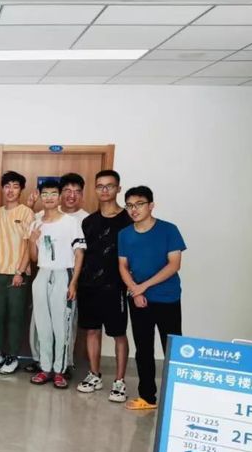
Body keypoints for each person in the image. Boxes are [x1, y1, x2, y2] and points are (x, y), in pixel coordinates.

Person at [119, 186, 186, 411]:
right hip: (138, 300)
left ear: (151, 205)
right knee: (143, 349)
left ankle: (178, 397)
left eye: (139, 204)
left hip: (167, 298)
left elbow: (174, 264)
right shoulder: (124, 234)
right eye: (129, 205)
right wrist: (135, 291)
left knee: (172, 349)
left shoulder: (169, 230)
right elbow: (123, 266)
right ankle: (147, 397)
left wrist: (142, 287)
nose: (134, 209)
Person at [76, 170, 132, 402]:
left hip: (116, 287)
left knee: (118, 334)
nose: (105, 190)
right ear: (95, 189)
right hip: (89, 285)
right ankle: (94, 374)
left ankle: (119, 381)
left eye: (110, 186)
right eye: (100, 186)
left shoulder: (128, 220)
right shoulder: (88, 222)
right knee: (92, 330)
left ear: (118, 188)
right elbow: (81, 254)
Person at [26, 172, 89, 374]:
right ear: (40, 196)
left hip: (64, 274)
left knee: (61, 326)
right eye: (45, 194)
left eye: (53, 193)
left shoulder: (70, 222)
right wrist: (32, 240)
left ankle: (60, 370)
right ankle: (45, 368)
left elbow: (79, 253)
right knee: (42, 324)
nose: (49, 198)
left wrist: (73, 283)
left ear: (59, 196)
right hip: (43, 274)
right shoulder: (36, 222)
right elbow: (34, 257)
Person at [0, 171, 33, 375]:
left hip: (16, 274)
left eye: (15, 186)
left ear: (21, 190)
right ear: (2, 189)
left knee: (15, 316)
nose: (10, 190)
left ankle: (12, 356)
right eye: (7, 186)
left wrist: (20, 271)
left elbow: (28, 245)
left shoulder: (26, 212)